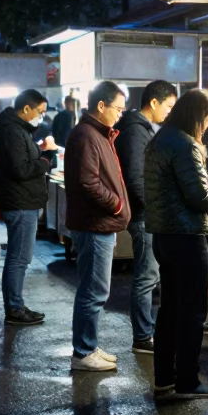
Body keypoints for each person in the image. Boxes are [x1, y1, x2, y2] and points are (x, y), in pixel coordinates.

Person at [143, 88, 208, 400]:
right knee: (193, 311)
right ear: (197, 115)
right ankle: (187, 381)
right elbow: (197, 197)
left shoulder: (160, 140)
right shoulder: (185, 144)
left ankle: (164, 380)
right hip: (186, 237)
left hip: (164, 237)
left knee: (170, 310)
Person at [66, 82, 132, 372]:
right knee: (93, 292)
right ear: (101, 106)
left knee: (94, 290)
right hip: (94, 224)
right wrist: (116, 204)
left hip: (100, 224)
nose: (120, 114)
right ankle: (83, 352)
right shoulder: (86, 135)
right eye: (117, 108)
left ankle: (89, 345)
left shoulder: (97, 134)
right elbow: (88, 182)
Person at [114, 80, 178, 355]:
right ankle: (142, 336)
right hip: (144, 215)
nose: (169, 111)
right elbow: (136, 178)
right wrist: (153, 209)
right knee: (146, 277)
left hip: (149, 213)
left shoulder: (141, 129)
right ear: (154, 102)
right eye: (169, 105)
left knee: (151, 276)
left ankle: (148, 331)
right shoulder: (135, 132)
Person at [0, 89, 57, 326]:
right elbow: (22, 169)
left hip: (23, 201)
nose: (42, 116)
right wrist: (47, 157)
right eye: (40, 111)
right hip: (20, 202)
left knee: (18, 257)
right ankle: (15, 309)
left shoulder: (17, 130)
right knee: (19, 258)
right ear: (26, 108)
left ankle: (16, 305)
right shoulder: (12, 132)